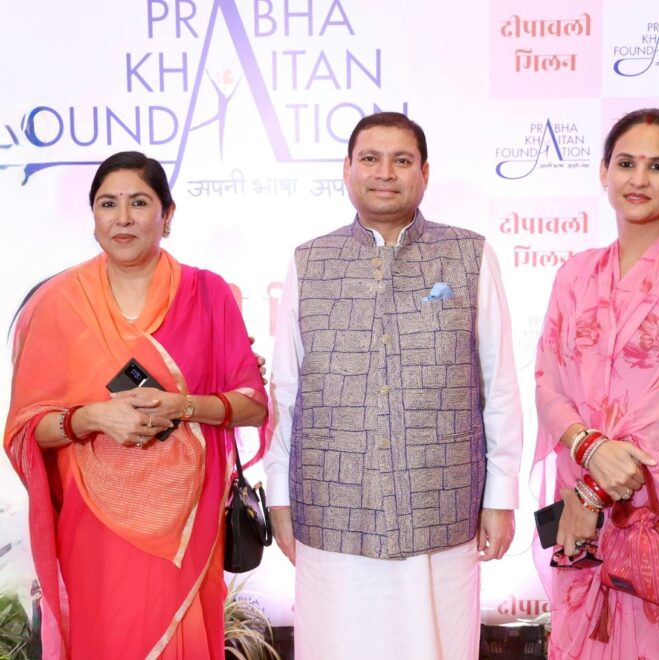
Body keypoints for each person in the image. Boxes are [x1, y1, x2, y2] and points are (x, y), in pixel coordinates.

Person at [265, 111, 523, 659]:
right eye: (370, 159)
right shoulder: (309, 261)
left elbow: (497, 384)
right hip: (332, 507)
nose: (386, 172)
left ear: (424, 173)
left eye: (401, 160)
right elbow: (286, 394)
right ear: (347, 170)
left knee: (437, 642)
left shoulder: (469, 255)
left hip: (441, 506)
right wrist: (280, 499)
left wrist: (500, 496)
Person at [3, 151, 268, 658]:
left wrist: (182, 406)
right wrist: (89, 418)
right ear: (94, 218)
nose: (122, 218)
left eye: (139, 203)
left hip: (188, 525)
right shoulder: (59, 303)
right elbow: (25, 428)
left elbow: (251, 404)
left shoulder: (208, 293)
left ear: (167, 216)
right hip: (95, 528)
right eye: (108, 204)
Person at [532, 108, 659, 658]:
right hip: (580, 506)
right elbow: (547, 382)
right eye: (626, 163)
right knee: (580, 638)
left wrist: (593, 490)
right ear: (604, 171)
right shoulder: (575, 274)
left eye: (657, 166)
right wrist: (587, 450)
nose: (639, 179)